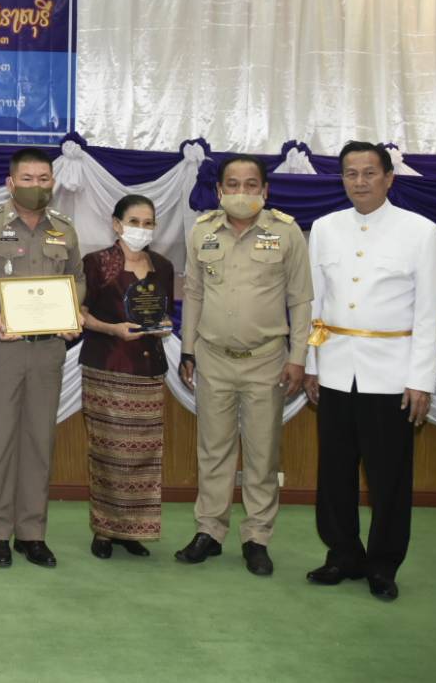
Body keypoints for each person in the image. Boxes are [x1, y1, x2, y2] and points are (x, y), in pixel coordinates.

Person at [305, 141, 436, 602]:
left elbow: (428, 313)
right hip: (337, 369)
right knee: (336, 472)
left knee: (389, 477)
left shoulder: (421, 232)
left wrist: (421, 378)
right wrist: (311, 364)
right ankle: (343, 553)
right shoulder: (324, 229)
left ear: (389, 177)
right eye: (350, 174)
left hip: (392, 374)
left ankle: (383, 564)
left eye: (368, 173)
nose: (359, 182)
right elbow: (316, 305)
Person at [176, 153, 312, 577]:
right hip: (213, 357)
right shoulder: (201, 232)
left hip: (266, 361)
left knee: (261, 454)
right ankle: (209, 532)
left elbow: (301, 300)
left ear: (265, 190)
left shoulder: (287, 234)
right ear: (218, 191)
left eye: (251, 184)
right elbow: (194, 293)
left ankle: (257, 537)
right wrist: (188, 349)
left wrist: (298, 357)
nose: (241, 192)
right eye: (232, 184)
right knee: (212, 451)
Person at [0, 147, 84, 569]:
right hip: (1, 348)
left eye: (44, 178)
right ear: (11, 183)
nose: (37, 186)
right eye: (28, 179)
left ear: (53, 182)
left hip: (49, 349)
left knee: (38, 442)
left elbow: (78, 278)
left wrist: (72, 314)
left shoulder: (65, 230)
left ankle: (32, 533)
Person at [79, 194, 174, 559]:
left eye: (148, 223)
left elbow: (162, 311)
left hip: (149, 372)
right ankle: (104, 530)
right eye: (134, 222)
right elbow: (80, 312)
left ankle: (130, 530)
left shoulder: (162, 266)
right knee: (108, 454)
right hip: (108, 368)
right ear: (117, 224)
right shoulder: (97, 263)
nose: (141, 229)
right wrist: (112, 329)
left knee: (142, 457)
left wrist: (163, 324)